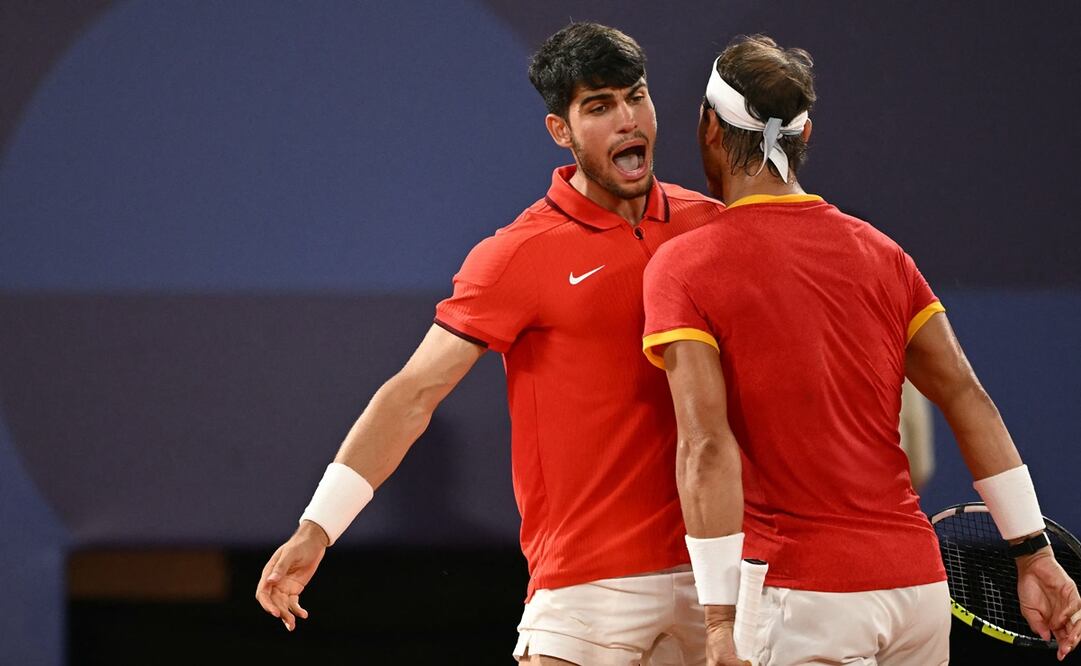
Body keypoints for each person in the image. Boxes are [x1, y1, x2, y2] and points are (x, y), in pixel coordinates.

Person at [255, 22, 726, 665]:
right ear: (560, 130)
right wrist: (318, 527)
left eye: (635, 97)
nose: (626, 120)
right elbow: (412, 395)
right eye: (598, 106)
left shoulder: (711, 228)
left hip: (720, 577)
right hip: (587, 586)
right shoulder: (516, 255)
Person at [641, 34, 1081, 665]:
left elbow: (706, 446)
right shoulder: (883, 254)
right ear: (806, 134)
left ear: (709, 128)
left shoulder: (683, 266)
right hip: (915, 592)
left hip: (802, 597)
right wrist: (1033, 554)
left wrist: (718, 620)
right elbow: (966, 396)